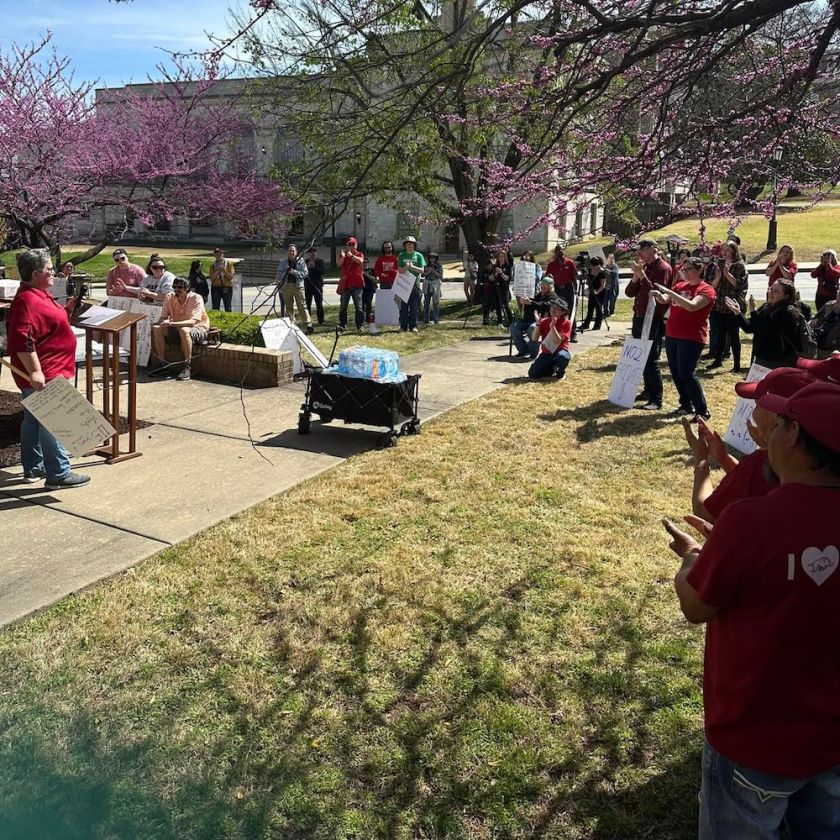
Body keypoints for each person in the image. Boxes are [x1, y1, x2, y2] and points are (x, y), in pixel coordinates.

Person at [664, 379, 840, 840]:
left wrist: (691, 559)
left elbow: (696, 605)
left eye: (778, 422)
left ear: (794, 434)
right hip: (830, 740)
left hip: (754, 737)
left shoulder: (751, 522)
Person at [682, 367, 816, 522]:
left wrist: (701, 459)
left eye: (758, 404)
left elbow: (705, 513)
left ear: (778, 418)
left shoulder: (762, 462)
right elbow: (755, 484)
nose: (753, 412)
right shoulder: (817, 459)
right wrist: (724, 458)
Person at [6, 249, 89, 488]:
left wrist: (69, 308)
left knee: (33, 419)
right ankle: (58, 473)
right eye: (49, 269)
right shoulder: (25, 300)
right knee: (54, 420)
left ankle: (34, 467)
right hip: (45, 372)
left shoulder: (39, 293)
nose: (54, 272)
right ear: (35, 273)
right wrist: (35, 371)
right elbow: (22, 339)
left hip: (52, 368)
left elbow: (48, 321)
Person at [652, 256, 715, 420]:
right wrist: (659, 295)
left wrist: (671, 292)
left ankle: (702, 410)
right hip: (672, 334)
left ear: (699, 270)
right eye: (683, 270)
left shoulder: (706, 290)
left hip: (691, 337)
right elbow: (666, 300)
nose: (684, 272)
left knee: (687, 373)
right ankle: (686, 405)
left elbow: (692, 306)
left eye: (688, 269)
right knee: (676, 372)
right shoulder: (680, 286)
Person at [625, 238, 673, 410]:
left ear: (653, 249)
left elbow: (656, 293)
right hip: (639, 316)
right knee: (641, 356)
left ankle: (656, 398)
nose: (640, 254)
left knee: (651, 358)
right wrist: (635, 278)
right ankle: (647, 390)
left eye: (642, 250)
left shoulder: (663, 269)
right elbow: (629, 293)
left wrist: (643, 276)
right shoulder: (645, 268)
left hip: (653, 318)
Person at [726, 279, 803, 368]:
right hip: (762, 357)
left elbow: (765, 331)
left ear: (786, 296)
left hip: (779, 360)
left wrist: (753, 311)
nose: (770, 293)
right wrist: (738, 313)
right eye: (770, 289)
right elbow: (749, 327)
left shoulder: (787, 312)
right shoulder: (767, 307)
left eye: (775, 291)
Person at [150, 276, 210, 381]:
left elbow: (192, 322)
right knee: (157, 329)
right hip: (176, 327)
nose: (176, 290)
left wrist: (171, 323)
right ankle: (164, 365)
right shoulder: (169, 297)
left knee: (184, 330)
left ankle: (188, 366)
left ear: (187, 288)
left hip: (198, 328)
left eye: (180, 287)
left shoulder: (196, 298)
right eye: (174, 287)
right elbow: (163, 317)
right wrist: (157, 324)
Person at [708, 241, 748, 372]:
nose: (724, 252)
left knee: (733, 335)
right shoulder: (717, 264)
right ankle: (718, 360)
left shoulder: (740, 266)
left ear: (734, 251)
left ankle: (736, 365)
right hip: (719, 304)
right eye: (723, 250)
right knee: (720, 334)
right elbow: (710, 285)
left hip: (733, 306)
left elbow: (739, 285)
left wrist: (727, 274)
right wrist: (719, 277)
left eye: (727, 250)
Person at [528, 297, 572, 380]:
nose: (553, 310)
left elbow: (558, 340)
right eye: (552, 307)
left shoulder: (567, 323)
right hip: (546, 353)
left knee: (562, 357)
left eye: (557, 308)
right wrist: (538, 324)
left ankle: (560, 373)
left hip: (560, 352)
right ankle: (551, 368)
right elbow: (534, 338)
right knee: (533, 374)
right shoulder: (544, 321)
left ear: (563, 312)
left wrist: (552, 327)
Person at [510, 277, 554, 358]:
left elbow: (543, 305)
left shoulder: (553, 297)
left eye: (545, 285)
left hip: (541, 321)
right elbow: (530, 306)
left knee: (532, 328)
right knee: (514, 327)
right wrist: (523, 302)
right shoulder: (538, 295)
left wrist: (531, 302)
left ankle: (533, 352)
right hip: (528, 319)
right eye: (542, 285)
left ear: (551, 287)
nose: (542, 287)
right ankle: (523, 350)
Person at [276, 244, 314, 333]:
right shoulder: (283, 262)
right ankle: (291, 323)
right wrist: (285, 272)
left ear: (296, 252)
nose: (291, 252)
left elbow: (305, 273)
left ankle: (308, 324)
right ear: (287, 252)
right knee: (289, 306)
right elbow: (278, 275)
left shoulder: (301, 261)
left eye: (293, 251)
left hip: (298, 287)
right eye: (290, 251)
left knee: (302, 305)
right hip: (287, 286)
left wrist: (294, 272)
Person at [545, 245, 578, 340]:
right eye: (558, 251)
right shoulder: (552, 264)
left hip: (568, 288)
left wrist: (576, 291)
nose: (560, 252)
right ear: (555, 252)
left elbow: (574, 278)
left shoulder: (569, 262)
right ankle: (557, 331)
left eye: (562, 250)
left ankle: (573, 332)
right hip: (557, 289)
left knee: (570, 309)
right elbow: (547, 277)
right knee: (557, 310)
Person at [397, 236, 425, 333]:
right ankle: (403, 326)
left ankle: (413, 326)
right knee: (404, 307)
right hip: (404, 283)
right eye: (407, 243)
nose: (409, 245)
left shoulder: (418, 255)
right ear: (405, 245)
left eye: (411, 243)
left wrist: (412, 267)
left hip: (415, 283)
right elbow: (400, 270)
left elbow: (422, 270)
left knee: (414, 306)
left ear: (414, 245)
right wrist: (406, 267)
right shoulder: (401, 255)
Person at [338, 236, 366, 331]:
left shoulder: (359, 254)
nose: (351, 246)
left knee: (359, 307)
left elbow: (361, 261)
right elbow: (339, 264)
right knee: (343, 306)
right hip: (346, 284)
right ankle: (342, 324)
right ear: (347, 245)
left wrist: (352, 256)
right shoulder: (344, 254)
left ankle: (360, 325)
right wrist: (343, 256)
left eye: (353, 244)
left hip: (357, 284)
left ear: (356, 245)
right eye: (349, 244)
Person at [579, 256, 607, 332]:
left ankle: (597, 325)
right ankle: (586, 324)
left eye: (595, 266)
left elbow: (603, 285)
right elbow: (589, 281)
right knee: (590, 308)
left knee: (598, 309)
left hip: (600, 292)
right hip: (592, 291)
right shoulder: (590, 270)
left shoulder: (602, 272)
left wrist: (597, 292)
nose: (594, 267)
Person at [810, 288, 840, 357]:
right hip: (818, 349)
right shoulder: (829, 306)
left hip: (835, 353)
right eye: (839, 293)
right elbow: (814, 321)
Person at [304, 246, 326, 324]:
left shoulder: (320, 261)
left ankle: (321, 320)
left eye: (314, 252)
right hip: (308, 286)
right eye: (310, 253)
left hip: (317, 286)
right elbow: (302, 273)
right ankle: (308, 320)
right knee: (308, 304)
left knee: (319, 304)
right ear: (308, 254)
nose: (312, 254)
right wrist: (307, 267)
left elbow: (323, 271)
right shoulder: (305, 262)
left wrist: (314, 267)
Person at [209, 247, 235, 311]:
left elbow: (231, 277)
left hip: (227, 287)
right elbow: (212, 278)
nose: (218, 255)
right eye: (216, 254)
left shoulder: (229, 264)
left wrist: (223, 269)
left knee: (228, 307)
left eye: (219, 254)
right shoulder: (212, 266)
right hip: (216, 288)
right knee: (215, 307)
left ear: (222, 254)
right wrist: (218, 270)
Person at [422, 253, 444, 325]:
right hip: (427, 284)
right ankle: (426, 319)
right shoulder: (426, 266)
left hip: (435, 284)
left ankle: (436, 319)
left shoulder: (439, 266)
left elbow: (440, 276)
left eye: (434, 258)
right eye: (430, 258)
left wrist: (434, 271)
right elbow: (423, 274)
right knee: (426, 303)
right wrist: (428, 271)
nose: (432, 259)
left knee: (436, 303)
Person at [362, 257, 377, 325]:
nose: (364, 264)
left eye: (366, 262)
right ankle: (361, 319)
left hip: (370, 290)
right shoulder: (359, 270)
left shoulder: (371, 270)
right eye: (363, 262)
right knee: (361, 306)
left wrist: (367, 275)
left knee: (368, 305)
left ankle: (368, 319)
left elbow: (374, 279)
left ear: (368, 263)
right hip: (361, 290)